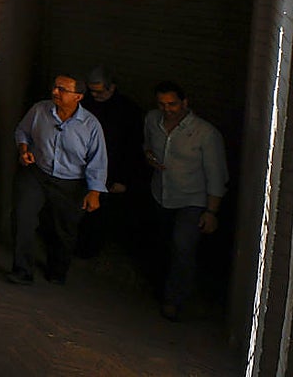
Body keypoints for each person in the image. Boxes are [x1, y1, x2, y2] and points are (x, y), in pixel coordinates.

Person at [8, 74, 108, 285]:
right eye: (55, 87)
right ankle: (22, 271)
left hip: (70, 183)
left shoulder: (90, 125)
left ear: (78, 97)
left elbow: (97, 160)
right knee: (23, 218)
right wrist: (23, 149)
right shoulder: (39, 110)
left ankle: (57, 270)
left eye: (63, 90)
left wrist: (94, 192)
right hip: (37, 174)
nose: (55, 92)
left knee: (64, 230)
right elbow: (22, 131)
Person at [143, 81, 228, 320]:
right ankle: (161, 286)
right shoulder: (152, 120)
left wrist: (211, 212)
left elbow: (216, 175)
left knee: (183, 247)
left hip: (191, 199)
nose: (167, 109)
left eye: (172, 104)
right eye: (162, 104)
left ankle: (175, 299)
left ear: (184, 103)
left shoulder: (205, 134)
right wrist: (149, 156)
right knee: (163, 243)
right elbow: (147, 145)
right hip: (161, 194)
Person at [76, 64, 144, 258]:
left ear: (111, 87)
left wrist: (124, 179)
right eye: (91, 91)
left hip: (112, 171)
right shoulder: (86, 103)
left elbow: (132, 148)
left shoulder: (128, 111)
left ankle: (90, 250)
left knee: (101, 216)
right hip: (84, 167)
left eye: (99, 92)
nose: (95, 96)